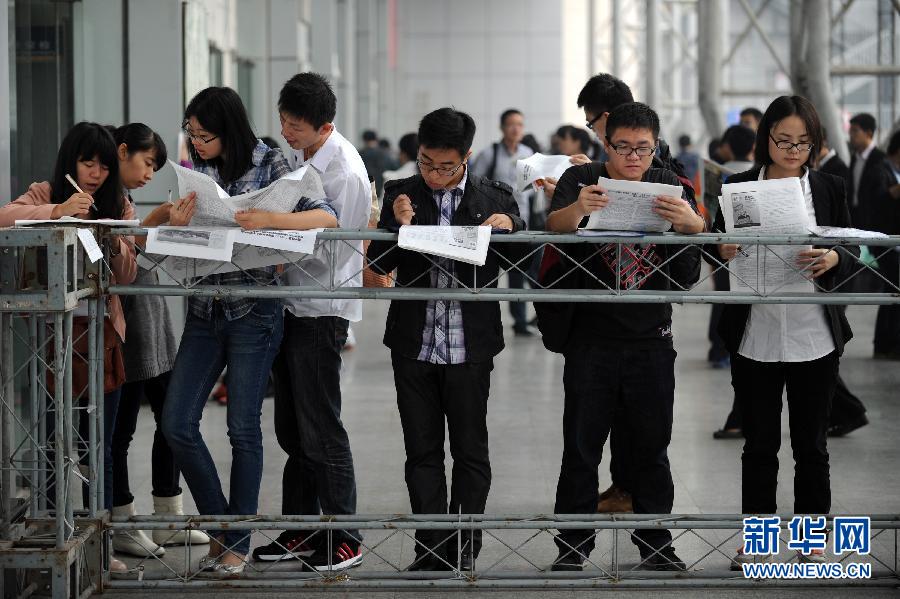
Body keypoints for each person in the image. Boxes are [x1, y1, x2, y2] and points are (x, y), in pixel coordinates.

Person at [161, 86, 337, 577]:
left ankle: (233, 541)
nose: (197, 144)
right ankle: (227, 528)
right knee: (176, 422)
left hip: (254, 314)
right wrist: (175, 223)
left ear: (230, 130)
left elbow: (327, 217)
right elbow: (183, 228)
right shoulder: (196, 170)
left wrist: (268, 219)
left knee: (243, 428)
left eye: (206, 135)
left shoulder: (273, 164)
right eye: (191, 135)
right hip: (203, 309)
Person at [367, 107, 527, 572]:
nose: (435, 176)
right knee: (421, 451)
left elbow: (523, 262)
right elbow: (378, 264)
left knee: (470, 449)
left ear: (467, 158)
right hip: (413, 343)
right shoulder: (401, 192)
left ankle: (465, 546)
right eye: (426, 163)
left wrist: (510, 228)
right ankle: (431, 548)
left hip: (469, 345)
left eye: (446, 167)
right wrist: (397, 225)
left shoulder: (493, 196)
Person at [546, 102, 701, 572]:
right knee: (580, 447)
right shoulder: (582, 179)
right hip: (590, 337)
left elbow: (692, 256)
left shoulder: (672, 185)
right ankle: (573, 545)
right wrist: (578, 209)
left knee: (651, 446)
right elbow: (552, 229)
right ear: (605, 142)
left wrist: (688, 223)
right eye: (623, 147)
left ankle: (655, 542)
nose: (633, 158)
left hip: (650, 336)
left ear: (655, 146)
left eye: (643, 149)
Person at [706, 96, 858, 569]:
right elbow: (712, 251)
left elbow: (856, 249)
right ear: (765, 137)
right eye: (784, 140)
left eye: (804, 142)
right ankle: (760, 540)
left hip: (815, 334)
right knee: (759, 446)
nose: (793, 150)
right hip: (756, 334)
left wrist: (834, 257)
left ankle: (812, 538)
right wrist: (723, 248)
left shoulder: (830, 186)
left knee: (811, 445)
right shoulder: (736, 186)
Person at [0, 122, 138, 573]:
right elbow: (5, 217)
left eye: (102, 165)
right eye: (87, 163)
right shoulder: (44, 193)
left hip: (102, 335)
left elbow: (127, 274)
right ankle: (57, 531)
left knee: (99, 444)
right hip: (53, 339)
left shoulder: (118, 202)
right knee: (52, 439)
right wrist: (59, 210)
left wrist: (114, 235)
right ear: (70, 163)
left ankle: (102, 546)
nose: (95, 173)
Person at [251, 72, 370, 572]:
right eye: (282, 121)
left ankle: (344, 535)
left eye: (296, 125)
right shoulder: (304, 158)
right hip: (293, 302)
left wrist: (270, 236)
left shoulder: (341, 170)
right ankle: (302, 529)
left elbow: (331, 246)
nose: (286, 132)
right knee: (293, 430)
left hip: (322, 306)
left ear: (325, 125)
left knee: (322, 428)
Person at [105, 123, 210, 559]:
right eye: (147, 163)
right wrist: (158, 224)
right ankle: (123, 522)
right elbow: (127, 262)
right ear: (123, 151)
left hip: (150, 323)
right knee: (120, 430)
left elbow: (133, 255)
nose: (150, 174)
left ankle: (168, 513)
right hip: (124, 329)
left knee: (172, 419)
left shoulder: (122, 201)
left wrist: (157, 224)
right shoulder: (100, 202)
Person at [470, 108, 536, 336]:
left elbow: (533, 187)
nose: (516, 128)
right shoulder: (490, 154)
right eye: (511, 124)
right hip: (494, 226)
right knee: (487, 274)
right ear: (502, 127)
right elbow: (474, 184)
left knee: (520, 272)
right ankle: (483, 322)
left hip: (522, 223)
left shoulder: (528, 153)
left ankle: (520, 322)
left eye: (520, 124)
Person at [847, 113, 892, 231]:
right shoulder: (854, 158)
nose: (851, 135)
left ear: (868, 133)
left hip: (875, 221)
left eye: (855, 131)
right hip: (855, 217)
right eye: (850, 131)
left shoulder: (881, 159)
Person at [359, 129, 393, 195]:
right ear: (376, 139)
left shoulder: (359, 154)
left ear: (364, 140)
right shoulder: (384, 153)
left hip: (364, 189)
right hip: (382, 188)